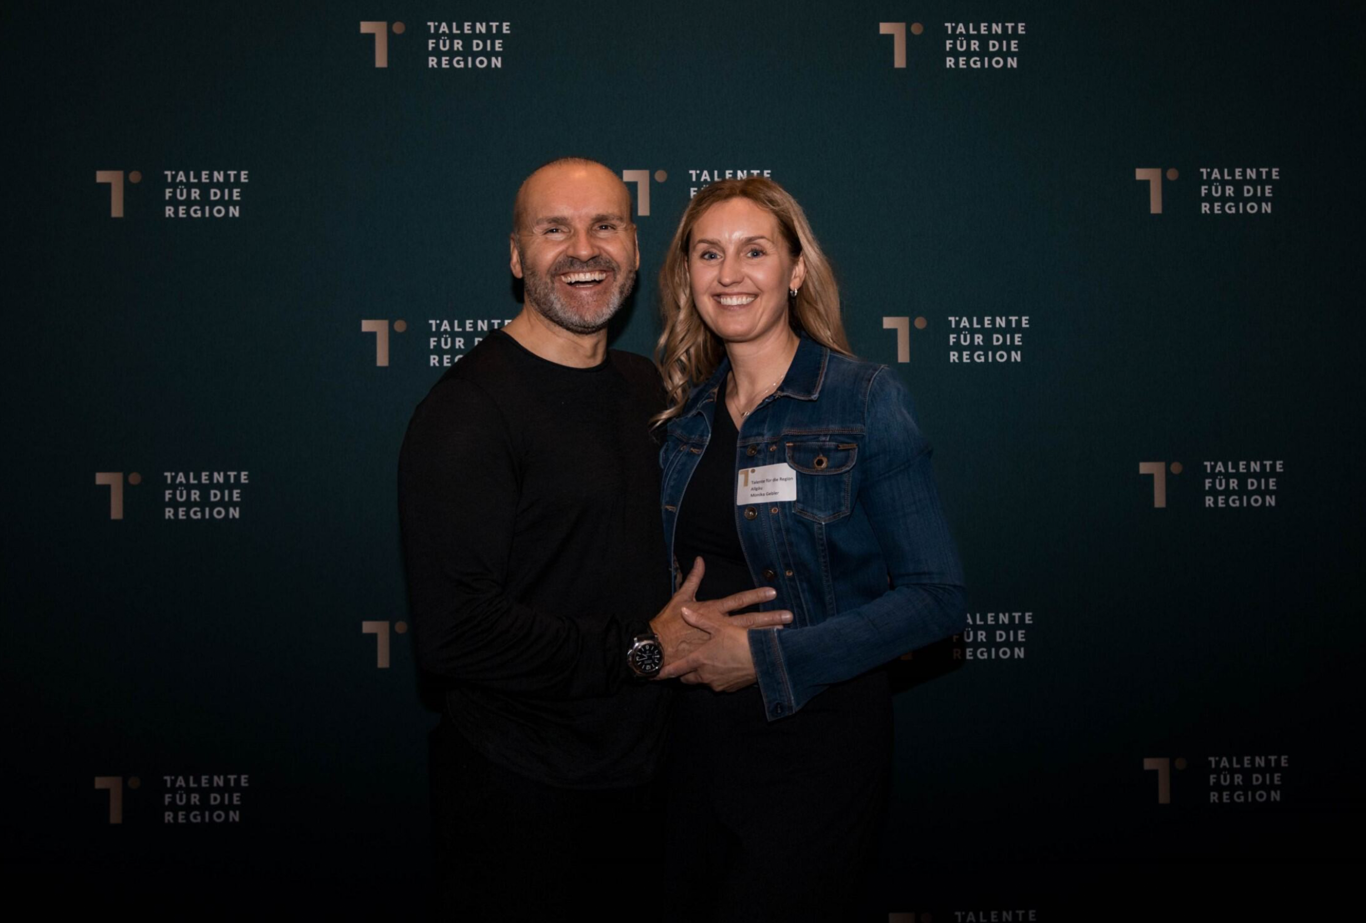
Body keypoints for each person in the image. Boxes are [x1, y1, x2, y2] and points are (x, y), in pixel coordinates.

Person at [396, 158, 791, 919]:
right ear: (518, 258)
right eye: (555, 230)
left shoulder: (649, 389)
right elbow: (453, 632)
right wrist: (641, 648)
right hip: (521, 794)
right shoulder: (467, 413)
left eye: (605, 225)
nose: (585, 248)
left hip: (649, 782)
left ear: (638, 252)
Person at [651, 177, 968, 922]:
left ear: (795, 269)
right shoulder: (684, 422)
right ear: (687, 277)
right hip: (694, 748)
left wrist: (767, 661)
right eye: (708, 254)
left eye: (754, 251)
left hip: (815, 744)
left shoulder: (862, 399)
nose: (729, 275)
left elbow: (937, 597)